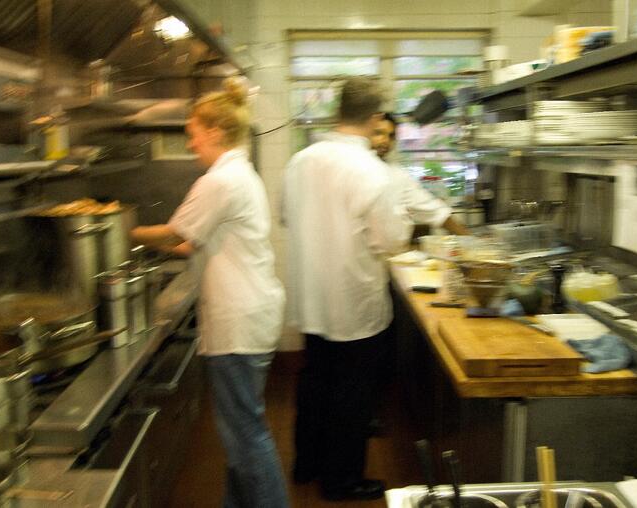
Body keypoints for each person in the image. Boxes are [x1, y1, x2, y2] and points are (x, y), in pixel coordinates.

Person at [131, 78, 289, 508]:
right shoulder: (237, 173)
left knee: (246, 436)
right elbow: (189, 242)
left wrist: (126, 231)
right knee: (241, 433)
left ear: (216, 131)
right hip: (250, 313)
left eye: (193, 133)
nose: (190, 142)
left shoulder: (221, 180)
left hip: (239, 320)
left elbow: (173, 233)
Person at [282, 77, 413, 501]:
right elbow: (391, 241)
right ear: (375, 118)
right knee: (351, 396)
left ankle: (307, 465)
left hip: (311, 298)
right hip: (354, 304)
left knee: (315, 382)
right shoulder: (373, 172)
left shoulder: (300, 161)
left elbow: (287, 217)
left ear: (339, 111)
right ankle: (341, 480)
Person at [371, 112, 470, 236]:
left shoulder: (396, 174)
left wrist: (469, 239)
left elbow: (434, 210)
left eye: (391, 136)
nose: (385, 140)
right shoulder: (350, 167)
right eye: (378, 133)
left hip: (387, 253)